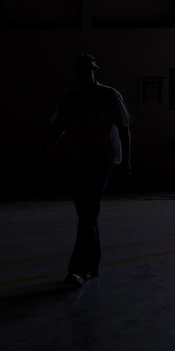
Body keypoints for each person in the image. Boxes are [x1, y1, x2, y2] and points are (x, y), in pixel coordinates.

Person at [44, 53, 131, 287]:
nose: (84, 74)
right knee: (87, 214)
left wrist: (126, 163)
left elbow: (124, 129)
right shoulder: (70, 99)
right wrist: (42, 149)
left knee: (88, 213)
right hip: (78, 161)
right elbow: (57, 129)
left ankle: (78, 269)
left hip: (102, 161)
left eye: (88, 70)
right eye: (81, 71)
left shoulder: (109, 95)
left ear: (94, 71)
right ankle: (93, 264)